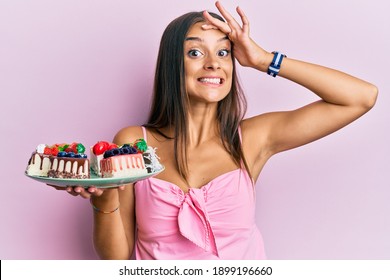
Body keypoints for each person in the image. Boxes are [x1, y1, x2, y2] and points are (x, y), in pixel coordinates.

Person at [61, 1, 378, 259]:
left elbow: (360, 98)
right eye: (195, 52)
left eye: (224, 52)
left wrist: (264, 59)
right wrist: (101, 202)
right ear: (174, 64)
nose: (213, 63)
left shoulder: (252, 140)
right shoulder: (134, 143)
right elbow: (116, 259)